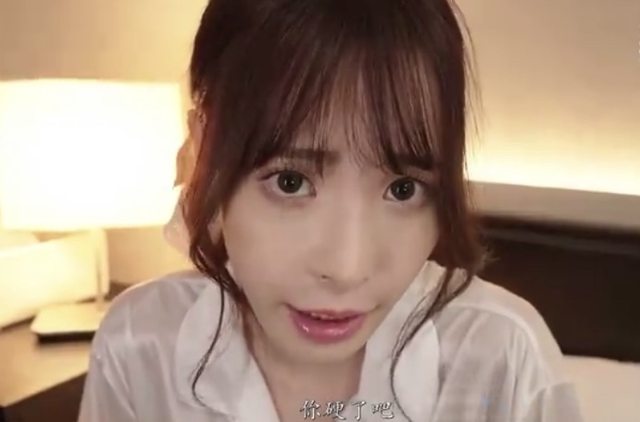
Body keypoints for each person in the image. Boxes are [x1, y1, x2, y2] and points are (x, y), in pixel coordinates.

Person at [78, 0, 584, 421]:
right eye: (291, 182)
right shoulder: (141, 347)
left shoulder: (499, 360)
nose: (346, 269)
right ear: (205, 151)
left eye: (403, 189)